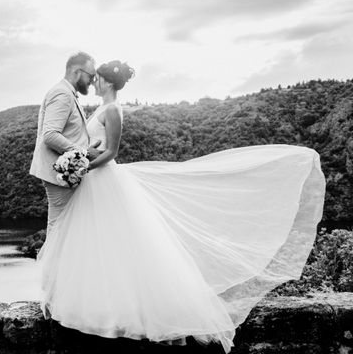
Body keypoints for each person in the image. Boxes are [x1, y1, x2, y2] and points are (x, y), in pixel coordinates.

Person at [37, 60, 325, 353]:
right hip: (94, 182)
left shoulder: (112, 110)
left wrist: (84, 165)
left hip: (101, 177)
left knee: (118, 243)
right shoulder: (102, 107)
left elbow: (111, 152)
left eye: (97, 78)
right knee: (99, 242)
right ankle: (93, 300)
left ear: (108, 83)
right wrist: (83, 159)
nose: (94, 82)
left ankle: (124, 310)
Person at [29, 51, 103, 232]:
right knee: (59, 230)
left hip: (65, 173)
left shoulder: (67, 93)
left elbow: (67, 133)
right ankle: (51, 261)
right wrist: (85, 153)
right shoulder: (62, 93)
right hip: (58, 176)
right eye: (91, 76)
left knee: (64, 230)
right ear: (77, 72)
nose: (93, 81)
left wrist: (85, 149)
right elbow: (50, 135)